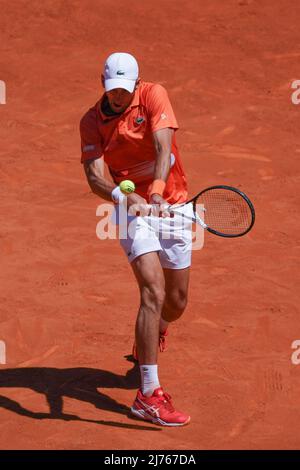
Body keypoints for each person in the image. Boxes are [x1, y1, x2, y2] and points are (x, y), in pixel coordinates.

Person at [80, 52, 192, 426]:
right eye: (113, 91)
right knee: (152, 291)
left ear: (137, 84)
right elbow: (96, 177)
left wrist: (157, 192)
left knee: (174, 304)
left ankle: (155, 329)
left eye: (124, 91)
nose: (118, 98)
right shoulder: (91, 122)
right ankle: (148, 395)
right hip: (130, 209)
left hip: (172, 201)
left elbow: (163, 149)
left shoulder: (154, 95)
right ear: (102, 83)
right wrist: (125, 198)